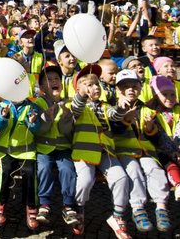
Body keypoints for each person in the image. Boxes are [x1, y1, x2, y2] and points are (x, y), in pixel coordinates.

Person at [69, 64, 131, 237]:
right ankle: (79, 208)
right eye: (89, 84)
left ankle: (117, 216)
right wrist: (81, 96)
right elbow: (75, 109)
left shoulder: (104, 105)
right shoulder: (76, 104)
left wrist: (121, 108)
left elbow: (114, 115)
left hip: (106, 152)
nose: (95, 87)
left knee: (121, 178)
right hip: (84, 152)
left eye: (97, 84)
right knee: (85, 180)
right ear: (79, 88)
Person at [112, 69, 172, 233]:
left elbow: (156, 138)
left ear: (139, 88)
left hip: (146, 151)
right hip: (124, 152)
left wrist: (150, 128)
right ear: (118, 90)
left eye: (134, 86)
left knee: (154, 169)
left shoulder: (146, 109)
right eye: (125, 87)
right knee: (134, 172)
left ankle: (161, 207)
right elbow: (113, 131)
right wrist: (125, 120)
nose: (130, 90)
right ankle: (138, 208)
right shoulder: (114, 108)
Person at [0, 81, 43, 228]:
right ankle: (0, 205)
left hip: (26, 151)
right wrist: (3, 116)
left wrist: (32, 122)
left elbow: (36, 128)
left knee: (30, 172)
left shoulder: (31, 107)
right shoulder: (3, 105)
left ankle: (31, 207)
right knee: (5, 171)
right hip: (6, 151)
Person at [34, 65, 78, 228]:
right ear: (42, 87)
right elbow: (40, 129)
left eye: (56, 79)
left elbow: (67, 131)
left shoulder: (68, 102)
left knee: (67, 169)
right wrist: (49, 115)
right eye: (49, 79)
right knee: (44, 167)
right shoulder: (39, 103)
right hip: (44, 147)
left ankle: (68, 205)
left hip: (63, 148)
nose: (54, 81)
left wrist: (67, 117)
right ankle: (44, 204)